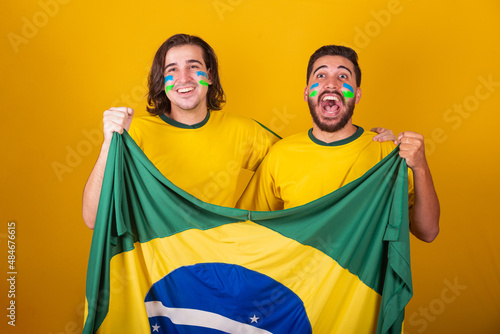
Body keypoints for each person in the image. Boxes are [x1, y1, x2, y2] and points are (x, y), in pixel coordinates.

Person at [82, 35, 396, 229]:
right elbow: (94, 219)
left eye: (194, 66)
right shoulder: (134, 133)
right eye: (171, 69)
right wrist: (109, 144)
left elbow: (305, 157)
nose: (184, 77)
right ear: (160, 80)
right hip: (149, 270)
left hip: (213, 270)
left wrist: (371, 146)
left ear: (210, 75)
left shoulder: (243, 131)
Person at [237, 44, 440, 243]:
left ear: (357, 94)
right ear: (307, 92)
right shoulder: (280, 154)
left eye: (343, 76)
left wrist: (420, 167)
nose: (332, 84)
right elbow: (245, 230)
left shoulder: (385, 152)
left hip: (361, 278)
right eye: (321, 75)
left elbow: (427, 232)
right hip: (299, 276)